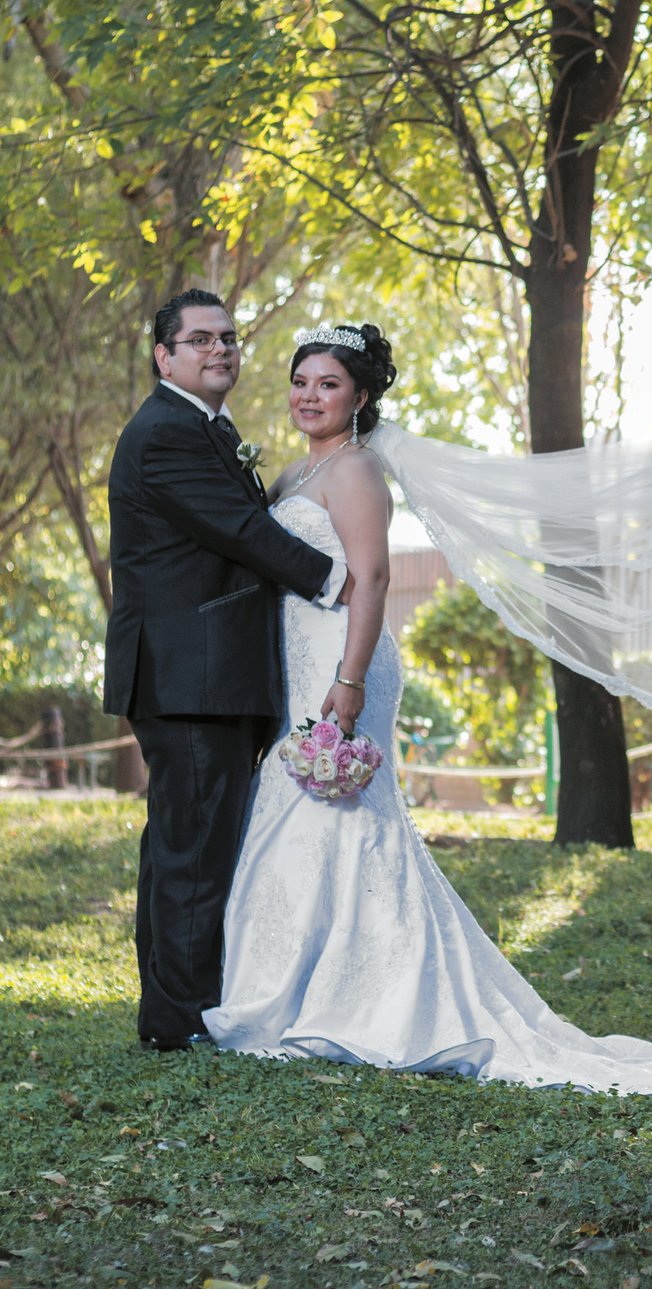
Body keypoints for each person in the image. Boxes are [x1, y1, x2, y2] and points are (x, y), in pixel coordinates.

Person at [202, 323, 652, 1094]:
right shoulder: (295, 476)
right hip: (299, 660)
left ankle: (369, 995)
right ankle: (295, 987)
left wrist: (352, 677)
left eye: (328, 384)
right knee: (294, 815)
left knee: (346, 818)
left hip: (345, 658)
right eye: (301, 381)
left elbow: (370, 580)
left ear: (359, 397)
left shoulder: (359, 472)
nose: (310, 395)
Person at [104, 289, 350, 1053]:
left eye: (230, 338)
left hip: (208, 675)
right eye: (201, 339)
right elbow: (241, 530)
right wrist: (338, 580)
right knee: (194, 850)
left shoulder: (207, 428)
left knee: (189, 845)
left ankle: (175, 1009)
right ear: (164, 356)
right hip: (190, 677)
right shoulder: (167, 433)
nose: (221, 350)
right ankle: (181, 1022)